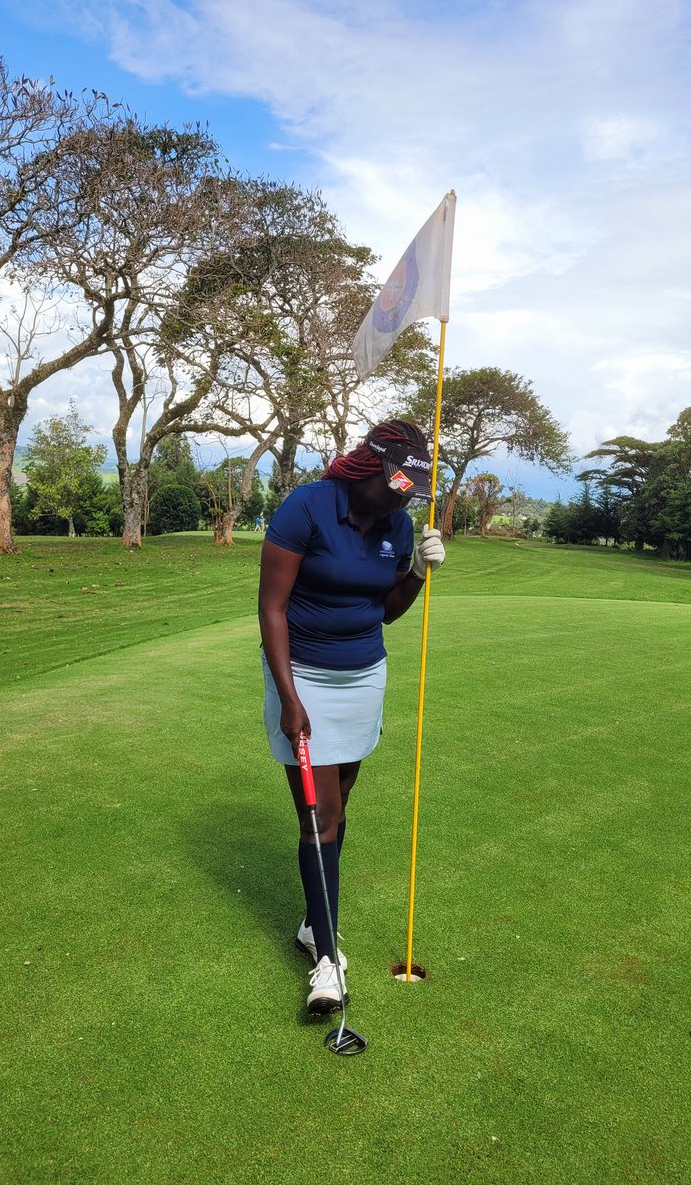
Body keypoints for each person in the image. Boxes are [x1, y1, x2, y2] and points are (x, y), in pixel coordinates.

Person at [258, 420, 445, 1013]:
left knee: (341, 799)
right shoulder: (308, 507)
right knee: (322, 814)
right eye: (396, 483)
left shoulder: (397, 521)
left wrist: (416, 570)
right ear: (369, 466)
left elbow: (386, 611)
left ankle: (314, 920)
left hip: (364, 675)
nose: (404, 494)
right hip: (303, 674)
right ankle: (326, 959)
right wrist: (290, 698)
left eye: (411, 488)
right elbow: (271, 609)